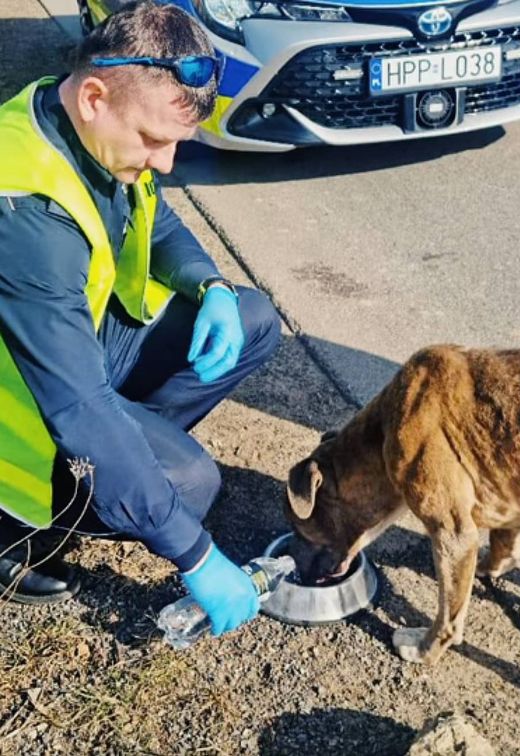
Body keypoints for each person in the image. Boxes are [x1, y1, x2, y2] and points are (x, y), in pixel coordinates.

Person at [0, 0, 280, 636]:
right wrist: (195, 553)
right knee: (187, 487)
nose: (166, 163)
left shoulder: (82, 118)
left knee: (251, 316)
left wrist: (211, 286)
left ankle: (120, 465)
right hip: (18, 412)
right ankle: (15, 534)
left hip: (81, 348)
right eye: (156, 140)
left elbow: (160, 223)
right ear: (96, 95)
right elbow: (74, 406)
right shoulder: (26, 214)